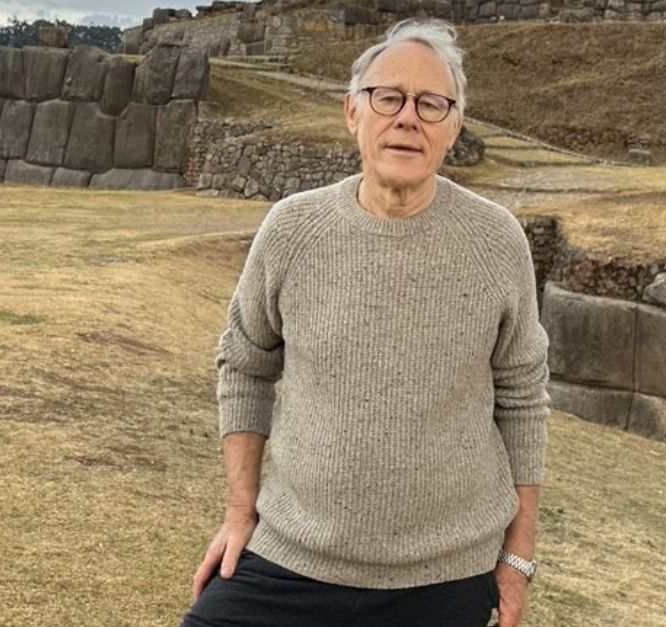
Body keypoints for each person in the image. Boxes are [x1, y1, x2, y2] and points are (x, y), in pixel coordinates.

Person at [180, 18, 551, 627]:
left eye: (432, 103)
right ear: (354, 111)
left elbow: (523, 397)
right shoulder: (292, 229)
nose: (408, 117)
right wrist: (240, 512)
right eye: (389, 97)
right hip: (290, 559)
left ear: (453, 127)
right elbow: (244, 364)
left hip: (444, 574)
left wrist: (518, 558)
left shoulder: (497, 243)